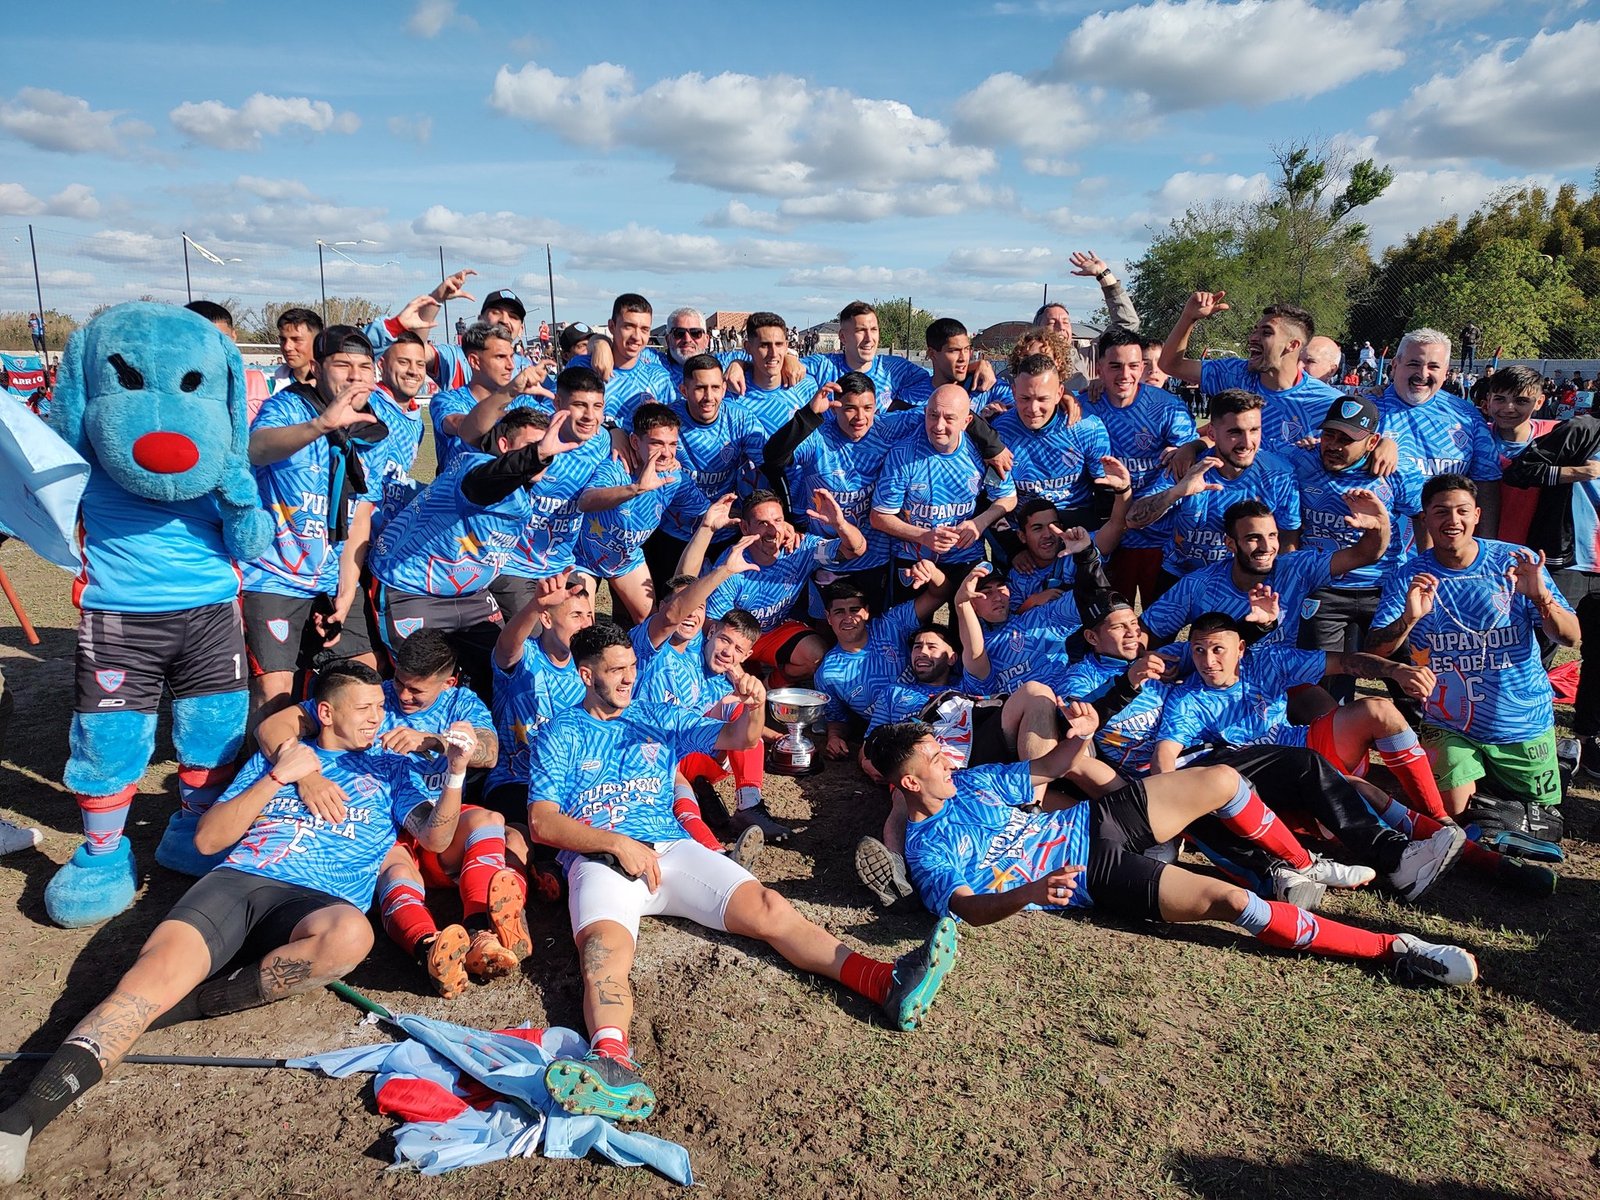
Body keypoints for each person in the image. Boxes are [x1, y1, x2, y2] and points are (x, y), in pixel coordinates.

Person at [0, 662, 477, 1185]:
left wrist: (455, 773)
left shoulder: (392, 768)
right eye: (365, 708)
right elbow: (207, 841)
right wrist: (279, 777)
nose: (378, 717)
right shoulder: (281, 759)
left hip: (321, 901)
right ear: (326, 713)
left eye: (379, 707)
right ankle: (20, 1121)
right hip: (239, 882)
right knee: (144, 982)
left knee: (352, 936)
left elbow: (433, 839)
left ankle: (188, 1004)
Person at [527, 624, 959, 1121]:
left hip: (670, 846)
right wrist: (615, 843)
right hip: (602, 857)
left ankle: (885, 982)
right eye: (616, 671)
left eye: (632, 667)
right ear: (586, 675)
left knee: (769, 908)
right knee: (605, 953)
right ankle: (611, 1061)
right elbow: (542, 822)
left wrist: (753, 705)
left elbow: (737, 737)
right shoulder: (560, 733)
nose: (629, 678)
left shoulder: (655, 715)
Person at [873, 717, 1478, 992]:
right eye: (933, 757)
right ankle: (1395, 950)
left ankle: (1301, 865)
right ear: (906, 782)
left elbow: (1051, 767)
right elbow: (968, 910)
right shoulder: (929, 847)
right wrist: (1030, 893)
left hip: (1094, 818)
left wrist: (1079, 737)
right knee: (1232, 900)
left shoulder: (974, 783)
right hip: (1095, 873)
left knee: (1220, 780)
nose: (949, 758)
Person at [1365, 475, 1578, 835]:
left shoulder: (1514, 561)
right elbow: (1376, 649)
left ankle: (1558, 760)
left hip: (1521, 719)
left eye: (1462, 511)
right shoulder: (1410, 576)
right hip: (1451, 722)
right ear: (1426, 518)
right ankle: (1478, 783)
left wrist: (1541, 597)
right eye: (1441, 512)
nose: (1453, 520)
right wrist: (1409, 618)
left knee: (1539, 816)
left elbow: (1571, 637)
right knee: (1455, 813)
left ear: (1477, 515)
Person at [241, 326, 391, 734]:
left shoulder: (373, 432)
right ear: (318, 368)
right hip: (274, 577)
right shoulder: (288, 408)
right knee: (276, 692)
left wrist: (345, 595)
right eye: (343, 365)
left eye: (364, 367)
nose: (355, 375)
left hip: (331, 578)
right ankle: (264, 781)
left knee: (364, 678)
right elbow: (257, 448)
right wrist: (321, 425)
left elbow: (360, 520)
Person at [1287, 394, 1424, 703]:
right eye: (1329, 434)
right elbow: (1248, 452)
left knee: (1411, 685)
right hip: (1324, 588)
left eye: (1346, 439)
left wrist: (1425, 569)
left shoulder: (1397, 471)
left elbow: (1423, 516)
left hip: (1385, 590)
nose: (1333, 444)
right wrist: (1195, 445)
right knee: (1325, 691)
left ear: (1372, 441)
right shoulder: (1300, 459)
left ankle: (1425, 743)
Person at [1123, 389, 1300, 591]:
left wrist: (1283, 585)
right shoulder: (1188, 466)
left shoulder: (1279, 474)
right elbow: (1133, 520)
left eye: (1254, 430)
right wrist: (1178, 491)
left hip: (1241, 581)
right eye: (1235, 432)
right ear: (1212, 434)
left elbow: (1288, 536)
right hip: (1179, 574)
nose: (1247, 442)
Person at [1082, 328, 1200, 607]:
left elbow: (1185, 460)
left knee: (1157, 627)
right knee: (1108, 623)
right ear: (1099, 368)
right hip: (1105, 535)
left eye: (1134, 366)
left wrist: (1147, 505)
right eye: (1115, 366)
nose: (1125, 374)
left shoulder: (1168, 408)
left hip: (1159, 538)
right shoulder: (1081, 405)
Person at [872, 385, 1018, 605]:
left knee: (977, 616)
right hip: (914, 556)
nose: (938, 426)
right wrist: (923, 536)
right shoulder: (903, 455)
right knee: (909, 631)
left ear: (967, 422)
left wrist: (978, 524)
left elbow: (1008, 497)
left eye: (949, 418)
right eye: (933, 415)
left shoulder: (983, 454)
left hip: (965, 555)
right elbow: (879, 517)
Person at [1158, 292, 1344, 454]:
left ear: (1292, 345)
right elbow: (1170, 365)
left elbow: (1364, 442)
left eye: (1266, 333)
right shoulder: (1234, 374)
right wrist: (1189, 318)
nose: (1253, 338)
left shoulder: (1328, 403)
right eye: (1255, 331)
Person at [577, 402, 710, 624]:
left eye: (672, 444)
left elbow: (705, 510)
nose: (666, 453)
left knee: (652, 622)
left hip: (625, 559)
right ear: (635, 442)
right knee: (581, 625)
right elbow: (586, 501)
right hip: (583, 556)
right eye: (657, 444)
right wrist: (636, 489)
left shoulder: (675, 478)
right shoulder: (616, 467)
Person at [1372, 329, 1501, 539]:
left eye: (1433, 366)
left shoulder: (1467, 416)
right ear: (1395, 365)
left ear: (1446, 371)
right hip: (1375, 555)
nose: (1422, 374)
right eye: (1414, 363)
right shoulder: (1366, 411)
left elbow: (1487, 482)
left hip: (1445, 553)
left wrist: (1487, 544)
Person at [991, 353, 1111, 531]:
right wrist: (1016, 551)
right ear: (1014, 392)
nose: (1033, 409)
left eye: (1042, 399)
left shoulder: (1088, 428)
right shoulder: (998, 433)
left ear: (1059, 394)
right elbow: (993, 499)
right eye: (1025, 398)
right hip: (1022, 535)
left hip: (1077, 529)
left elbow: (1106, 495)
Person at [1031, 250, 1140, 390]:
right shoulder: (1020, 366)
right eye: (1052, 323)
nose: (1061, 327)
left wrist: (1104, 275)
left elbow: (1127, 324)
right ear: (1036, 330)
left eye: (1066, 322)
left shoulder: (1089, 358)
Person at [1484, 365, 1558, 546]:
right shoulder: (1471, 437)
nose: (1509, 408)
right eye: (1500, 399)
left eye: (1521, 401)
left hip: (1538, 552)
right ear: (1488, 400)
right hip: (1480, 549)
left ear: (1539, 402)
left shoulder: (1556, 437)